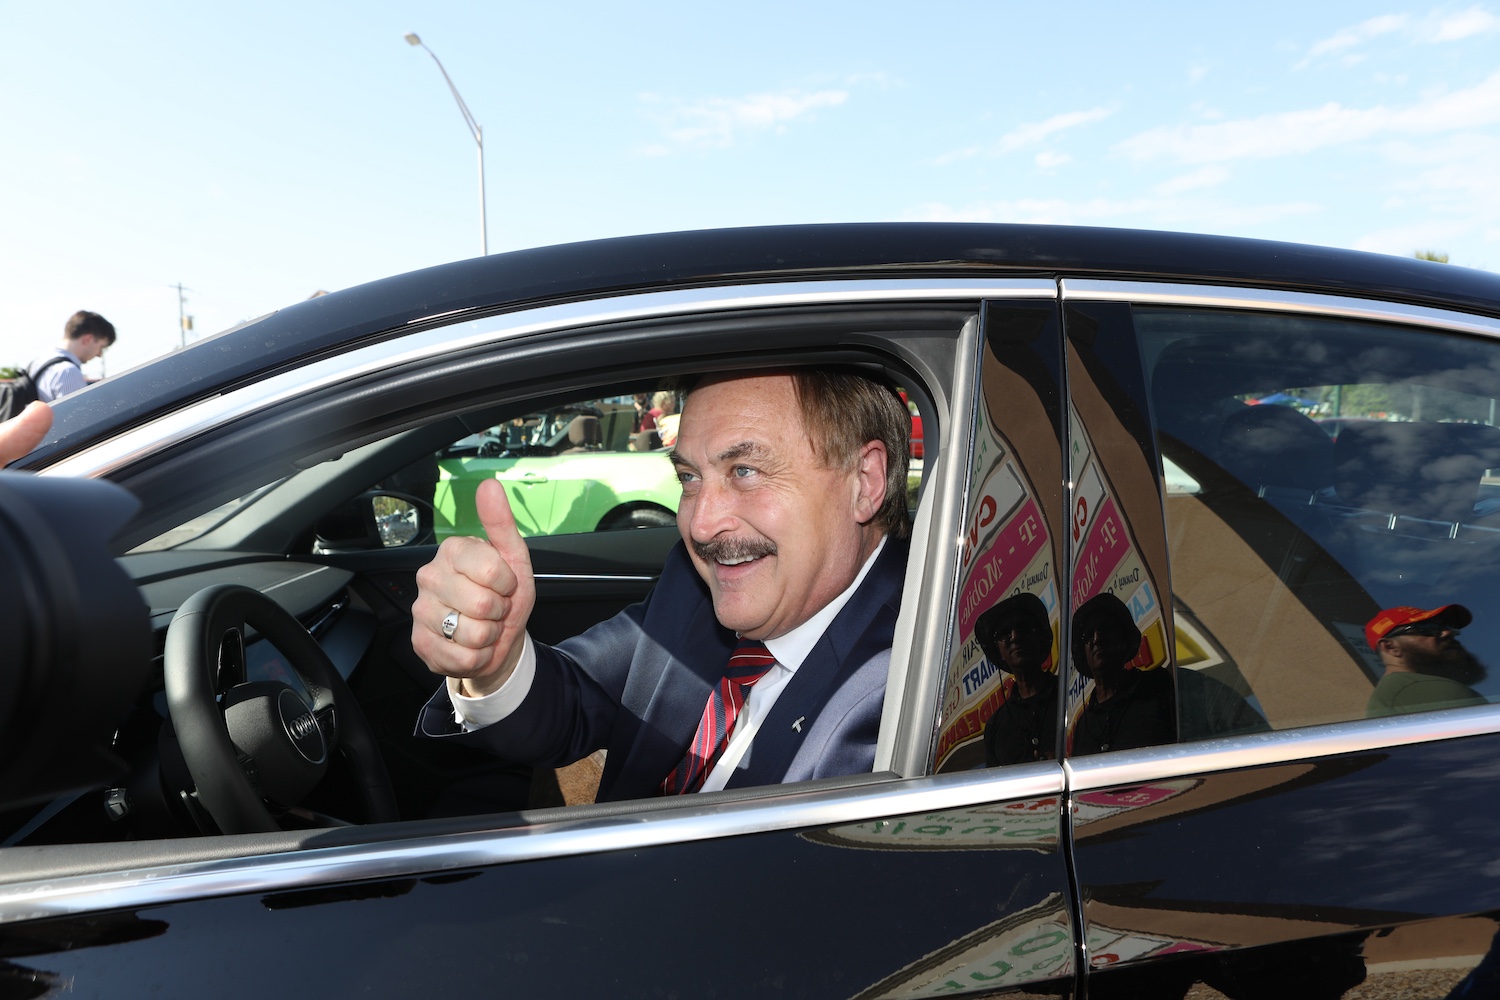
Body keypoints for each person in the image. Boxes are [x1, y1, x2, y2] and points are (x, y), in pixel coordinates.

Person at [412, 368, 912, 802]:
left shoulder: (910, 677)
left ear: (864, 481)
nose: (699, 525)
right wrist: (496, 665)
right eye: (690, 478)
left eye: (745, 470)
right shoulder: (693, 589)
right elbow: (574, 700)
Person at [1069, 593, 1175, 756]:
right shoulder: (1084, 726)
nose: (1097, 639)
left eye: (1105, 629)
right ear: (1083, 653)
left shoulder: (1157, 687)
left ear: (1123, 638)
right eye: (1088, 635)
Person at [977, 593, 1058, 765]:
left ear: (1039, 637)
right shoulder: (996, 726)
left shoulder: (1069, 699)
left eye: (1023, 627)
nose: (1014, 637)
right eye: (1004, 633)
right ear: (999, 652)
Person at [1365, 604, 1488, 718]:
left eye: (1446, 627)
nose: (1448, 633)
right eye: (1427, 628)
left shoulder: (1399, 692)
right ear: (1390, 647)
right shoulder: (1423, 690)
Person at [28, 311, 116, 402]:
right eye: (101, 347)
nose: (99, 354)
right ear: (88, 339)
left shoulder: (37, 363)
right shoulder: (68, 372)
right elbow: (77, 415)